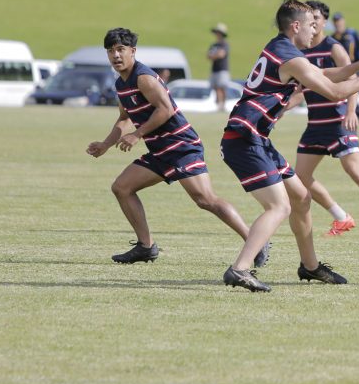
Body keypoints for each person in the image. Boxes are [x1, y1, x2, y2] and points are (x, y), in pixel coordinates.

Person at [219, 0, 359, 292]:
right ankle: (240, 269)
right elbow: (332, 91)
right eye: (311, 23)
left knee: (301, 197)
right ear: (296, 26)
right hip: (244, 139)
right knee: (279, 207)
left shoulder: (284, 50)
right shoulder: (290, 57)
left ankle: (310, 266)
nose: (316, 28)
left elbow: (325, 76)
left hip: (257, 138)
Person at [86, 28, 265, 268]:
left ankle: (255, 242)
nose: (115, 55)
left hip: (182, 146)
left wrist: (137, 134)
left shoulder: (143, 77)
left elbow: (165, 109)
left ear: (133, 51)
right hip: (160, 151)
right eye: (110, 51)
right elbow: (124, 117)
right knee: (122, 187)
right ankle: (146, 246)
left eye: (121, 50)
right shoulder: (121, 84)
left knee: (205, 200)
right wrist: (105, 144)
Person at [291, 0, 359, 240]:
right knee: (300, 177)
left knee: (355, 171)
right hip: (315, 124)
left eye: (317, 17)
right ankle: (341, 216)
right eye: (309, 18)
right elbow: (299, 93)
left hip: (338, 121)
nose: (313, 22)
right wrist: (279, 110)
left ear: (325, 22)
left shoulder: (333, 47)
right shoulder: (300, 52)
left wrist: (351, 112)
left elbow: (353, 80)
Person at [331, 12, 359, 131]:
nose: (338, 24)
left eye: (340, 21)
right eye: (336, 22)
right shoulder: (333, 38)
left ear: (343, 21)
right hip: (339, 71)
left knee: (351, 94)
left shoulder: (352, 33)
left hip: (353, 68)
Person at [207, 22, 231, 111]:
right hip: (215, 69)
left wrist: (214, 55)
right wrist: (215, 55)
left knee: (222, 87)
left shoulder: (225, 44)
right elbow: (208, 56)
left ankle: (222, 105)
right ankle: (219, 104)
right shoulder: (214, 45)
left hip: (222, 69)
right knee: (216, 87)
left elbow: (221, 54)